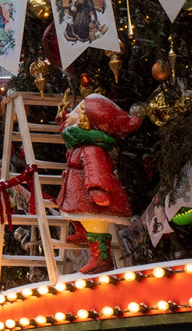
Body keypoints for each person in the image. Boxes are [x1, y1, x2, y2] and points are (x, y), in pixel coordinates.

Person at [56, 95, 142, 274]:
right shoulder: (78, 140)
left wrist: (97, 189)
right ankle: (83, 233)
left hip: (90, 195)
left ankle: (101, 258)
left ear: (86, 121)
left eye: (76, 111)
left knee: (96, 225)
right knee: (76, 213)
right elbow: (67, 131)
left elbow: (95, 169)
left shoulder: (91, 148)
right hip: (78, 191)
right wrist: (61, 120)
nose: (70, 114)